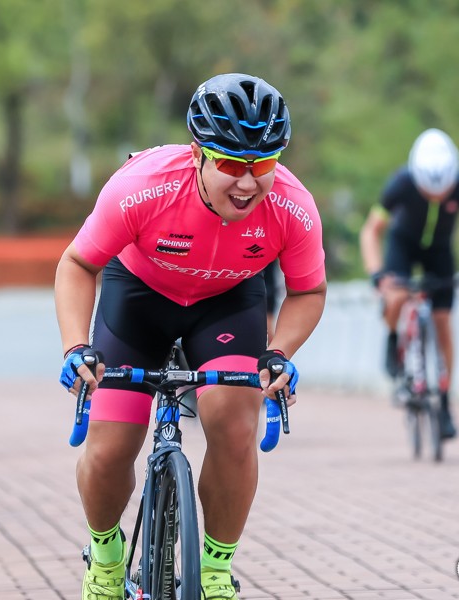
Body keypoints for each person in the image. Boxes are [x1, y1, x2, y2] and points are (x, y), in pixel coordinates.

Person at [55, 73, 326, 600]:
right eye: (230, 164)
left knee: (233, 424)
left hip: (227, 304)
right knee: (111, 449)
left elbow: (308, 292)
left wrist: (279, 353)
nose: (248, 184)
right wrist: (74, 346)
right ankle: (107, 559)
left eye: (263, 166)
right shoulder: (143, 186)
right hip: (138, 298)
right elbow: (77, 263)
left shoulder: (292, 206)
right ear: (199, 154)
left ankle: (216, 569)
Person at [359, 128, 459, 440]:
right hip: (402, 245)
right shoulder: (401, 184)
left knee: (443, 322)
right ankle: (392, 339)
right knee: (397, 295)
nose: (436, 197)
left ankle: (443, 402)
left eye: (442, 193)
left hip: (440, 251)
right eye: (429, 192)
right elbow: (371, 231)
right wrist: (377, 273)